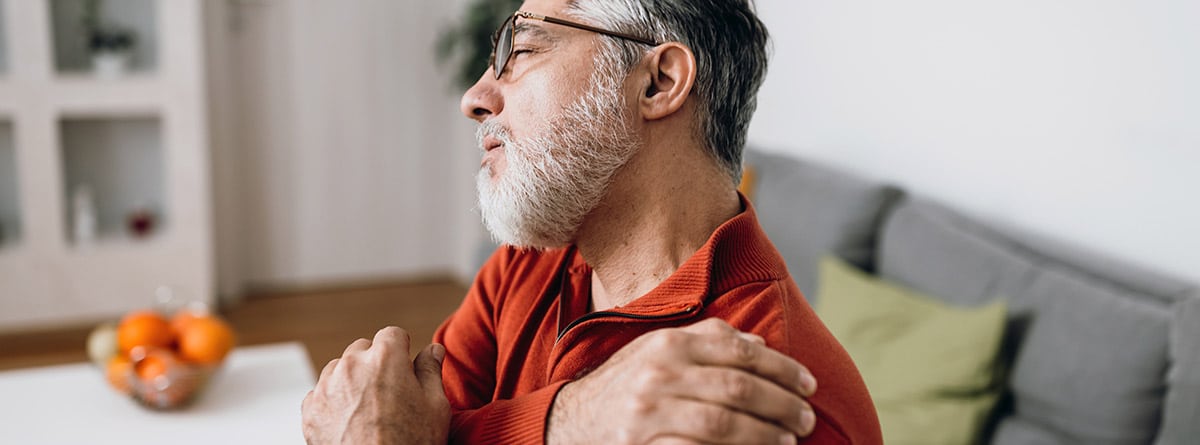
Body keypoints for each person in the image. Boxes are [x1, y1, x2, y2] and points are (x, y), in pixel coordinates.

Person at [302, 0, 882, 443]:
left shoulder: (758, 392)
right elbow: (412, 419)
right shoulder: (526, 265)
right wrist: (568, 421)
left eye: (521, 52)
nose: (475, 96)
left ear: (657, 83)